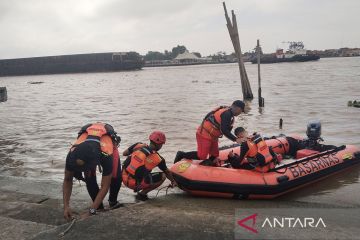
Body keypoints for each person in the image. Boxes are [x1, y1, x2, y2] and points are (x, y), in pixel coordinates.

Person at [63, 123, 122, 221]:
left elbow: (105, 186)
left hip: (106, 142)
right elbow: (67, 179)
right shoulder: (71, 154)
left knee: (116, 177)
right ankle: (98, 207)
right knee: (89, 178)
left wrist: (91, 211)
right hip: (88, 145)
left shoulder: (106, 154)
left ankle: (113, 202)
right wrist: (66, 207)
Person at [174, 100, 245, 165]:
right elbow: (224, 130)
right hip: (204, 134)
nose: (240, 113)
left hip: (213, 136)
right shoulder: (227, 114)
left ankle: (205, 166)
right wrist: (236, 139)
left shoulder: (230, 114)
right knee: (202, 156)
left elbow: (226, 129)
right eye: (241, 111)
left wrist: (238, 137)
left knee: (214, 155)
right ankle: (181, 154)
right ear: (238, 108)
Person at [122, 131, 177, 201]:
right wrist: (173, 181)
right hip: (135, 184)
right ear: (159, 144)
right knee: (163, 176)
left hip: (123, 178)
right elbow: (167, 172)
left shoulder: (138, 145)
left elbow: (124, 153)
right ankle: (142, 194)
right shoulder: (158, 158)